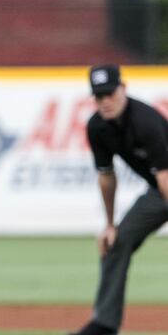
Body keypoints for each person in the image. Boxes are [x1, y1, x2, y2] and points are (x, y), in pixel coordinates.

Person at [70, 64, 168, 335]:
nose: (105, 102)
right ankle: (104, 324)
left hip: (164, 181)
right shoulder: (97, 128)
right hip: (157, 191)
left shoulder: (145, 120)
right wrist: (110, 225)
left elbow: (165, 176)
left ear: (123, 89)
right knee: (115, 243)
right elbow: (106, 176)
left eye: (110, 94)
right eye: (99, 96)